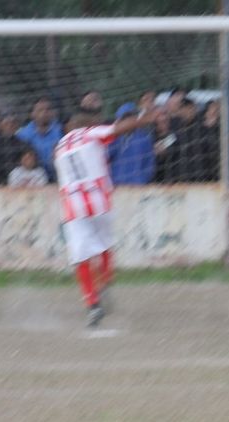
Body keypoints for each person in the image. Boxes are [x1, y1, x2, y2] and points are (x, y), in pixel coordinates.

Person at [53, 107, 159, 327]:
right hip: (99, 200)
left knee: (81, 256)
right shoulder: (89, 133)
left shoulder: (60, 146)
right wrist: (142, 120)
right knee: (104, 244)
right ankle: (106, 282)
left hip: (73, 206)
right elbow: (117, 129)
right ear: (88, 124)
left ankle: (92, 304)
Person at [16, 97, 63, 182]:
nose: (44, 113)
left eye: (48, 109)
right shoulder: (22, 134)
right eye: (40, 110)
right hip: (34, 177)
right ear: (32, 113)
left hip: (59, 174)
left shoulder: (61, 130)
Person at [108, 102, 155, 185]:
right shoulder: (114, 138)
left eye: (132, 115)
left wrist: (142, 180)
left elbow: (149, 164)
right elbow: (107, 156)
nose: (129, 120)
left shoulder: (144, 138)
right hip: (116, 184)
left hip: (137, 185)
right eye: (125, 117)